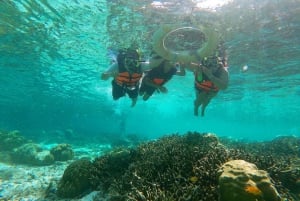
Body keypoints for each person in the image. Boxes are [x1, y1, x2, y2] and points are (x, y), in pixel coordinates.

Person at [192, 50, 229, 116]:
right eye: (208, 62)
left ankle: (203, 108)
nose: (212, 65)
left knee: (207, 100)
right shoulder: (201, 68)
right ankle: (196, 108)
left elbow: (224, 87)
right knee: (199, 100)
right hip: (201, 87)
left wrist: (210, 75)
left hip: (213, 89)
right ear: (205, 63)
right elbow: (188, 64)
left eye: (214, 62)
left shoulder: (222, 70)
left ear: (218, 63)